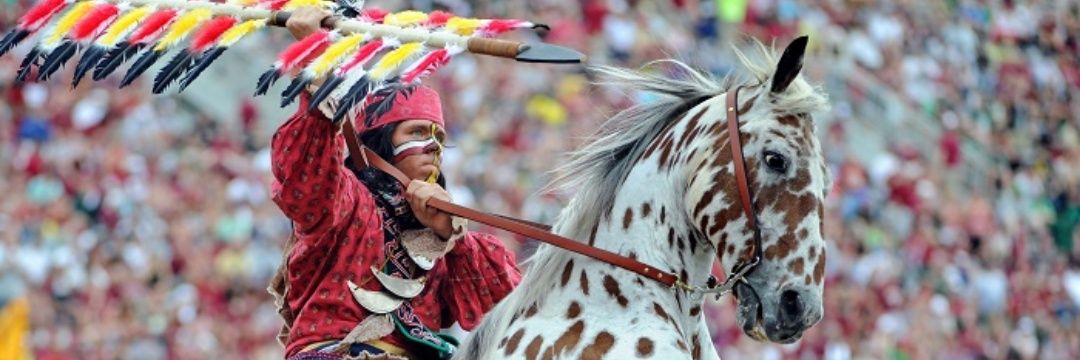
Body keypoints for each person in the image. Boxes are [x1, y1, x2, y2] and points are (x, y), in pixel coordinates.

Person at [267, 7, 522, 359]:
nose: (433, 144)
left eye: (438, 136)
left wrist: (452, 236)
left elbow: (513, 308)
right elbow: (306, 174)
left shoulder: (439, 233)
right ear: (383, 141)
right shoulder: (345, 198)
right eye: (417, 132)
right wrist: (316, 60)